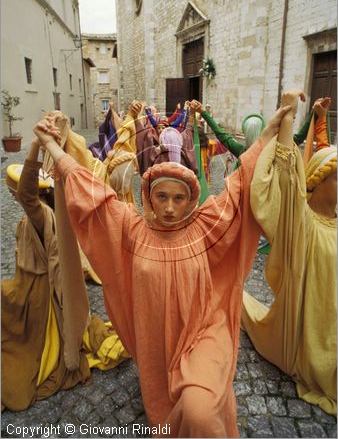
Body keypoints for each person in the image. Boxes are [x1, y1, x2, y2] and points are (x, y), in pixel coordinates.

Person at [33, 102, 292, 437]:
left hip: (203, 331)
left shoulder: (206, 227)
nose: (169, 208)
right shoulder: (130, 230)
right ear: (149, 198)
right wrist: (51, 145)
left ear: (191, 199)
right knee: (169, 404)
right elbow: (89, 191)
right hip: (156, 340)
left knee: (200, 411)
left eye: (179, 198)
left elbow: (241, 185)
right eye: (162, 197)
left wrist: (268, 133)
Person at [2, 139, 129, 411]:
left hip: (36, 291)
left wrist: (35, 146)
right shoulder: (46, 215)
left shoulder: (41, 215)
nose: (15, 196)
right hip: (29, 285)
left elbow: (26, 195)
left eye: (14, 192)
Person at [241, 89, 336, 415]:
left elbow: (323, 152)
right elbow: (286, 175)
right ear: (320, 182)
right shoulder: (302, 224)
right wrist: (288, 112)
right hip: (310, 325)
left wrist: (319, 119)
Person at [198, 99, 331, 168]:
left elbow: (221, 134)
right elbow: (299, 137)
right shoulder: (272, 148)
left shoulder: (240, 150)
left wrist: (203, 112)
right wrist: (315, 114)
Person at [134, 101, 198, 176]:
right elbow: (187, 135)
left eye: (163, 128)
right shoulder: (183, 152)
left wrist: (184, 110)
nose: (161, 130)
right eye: (159, 128)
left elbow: (179, 119)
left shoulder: (155, 154)